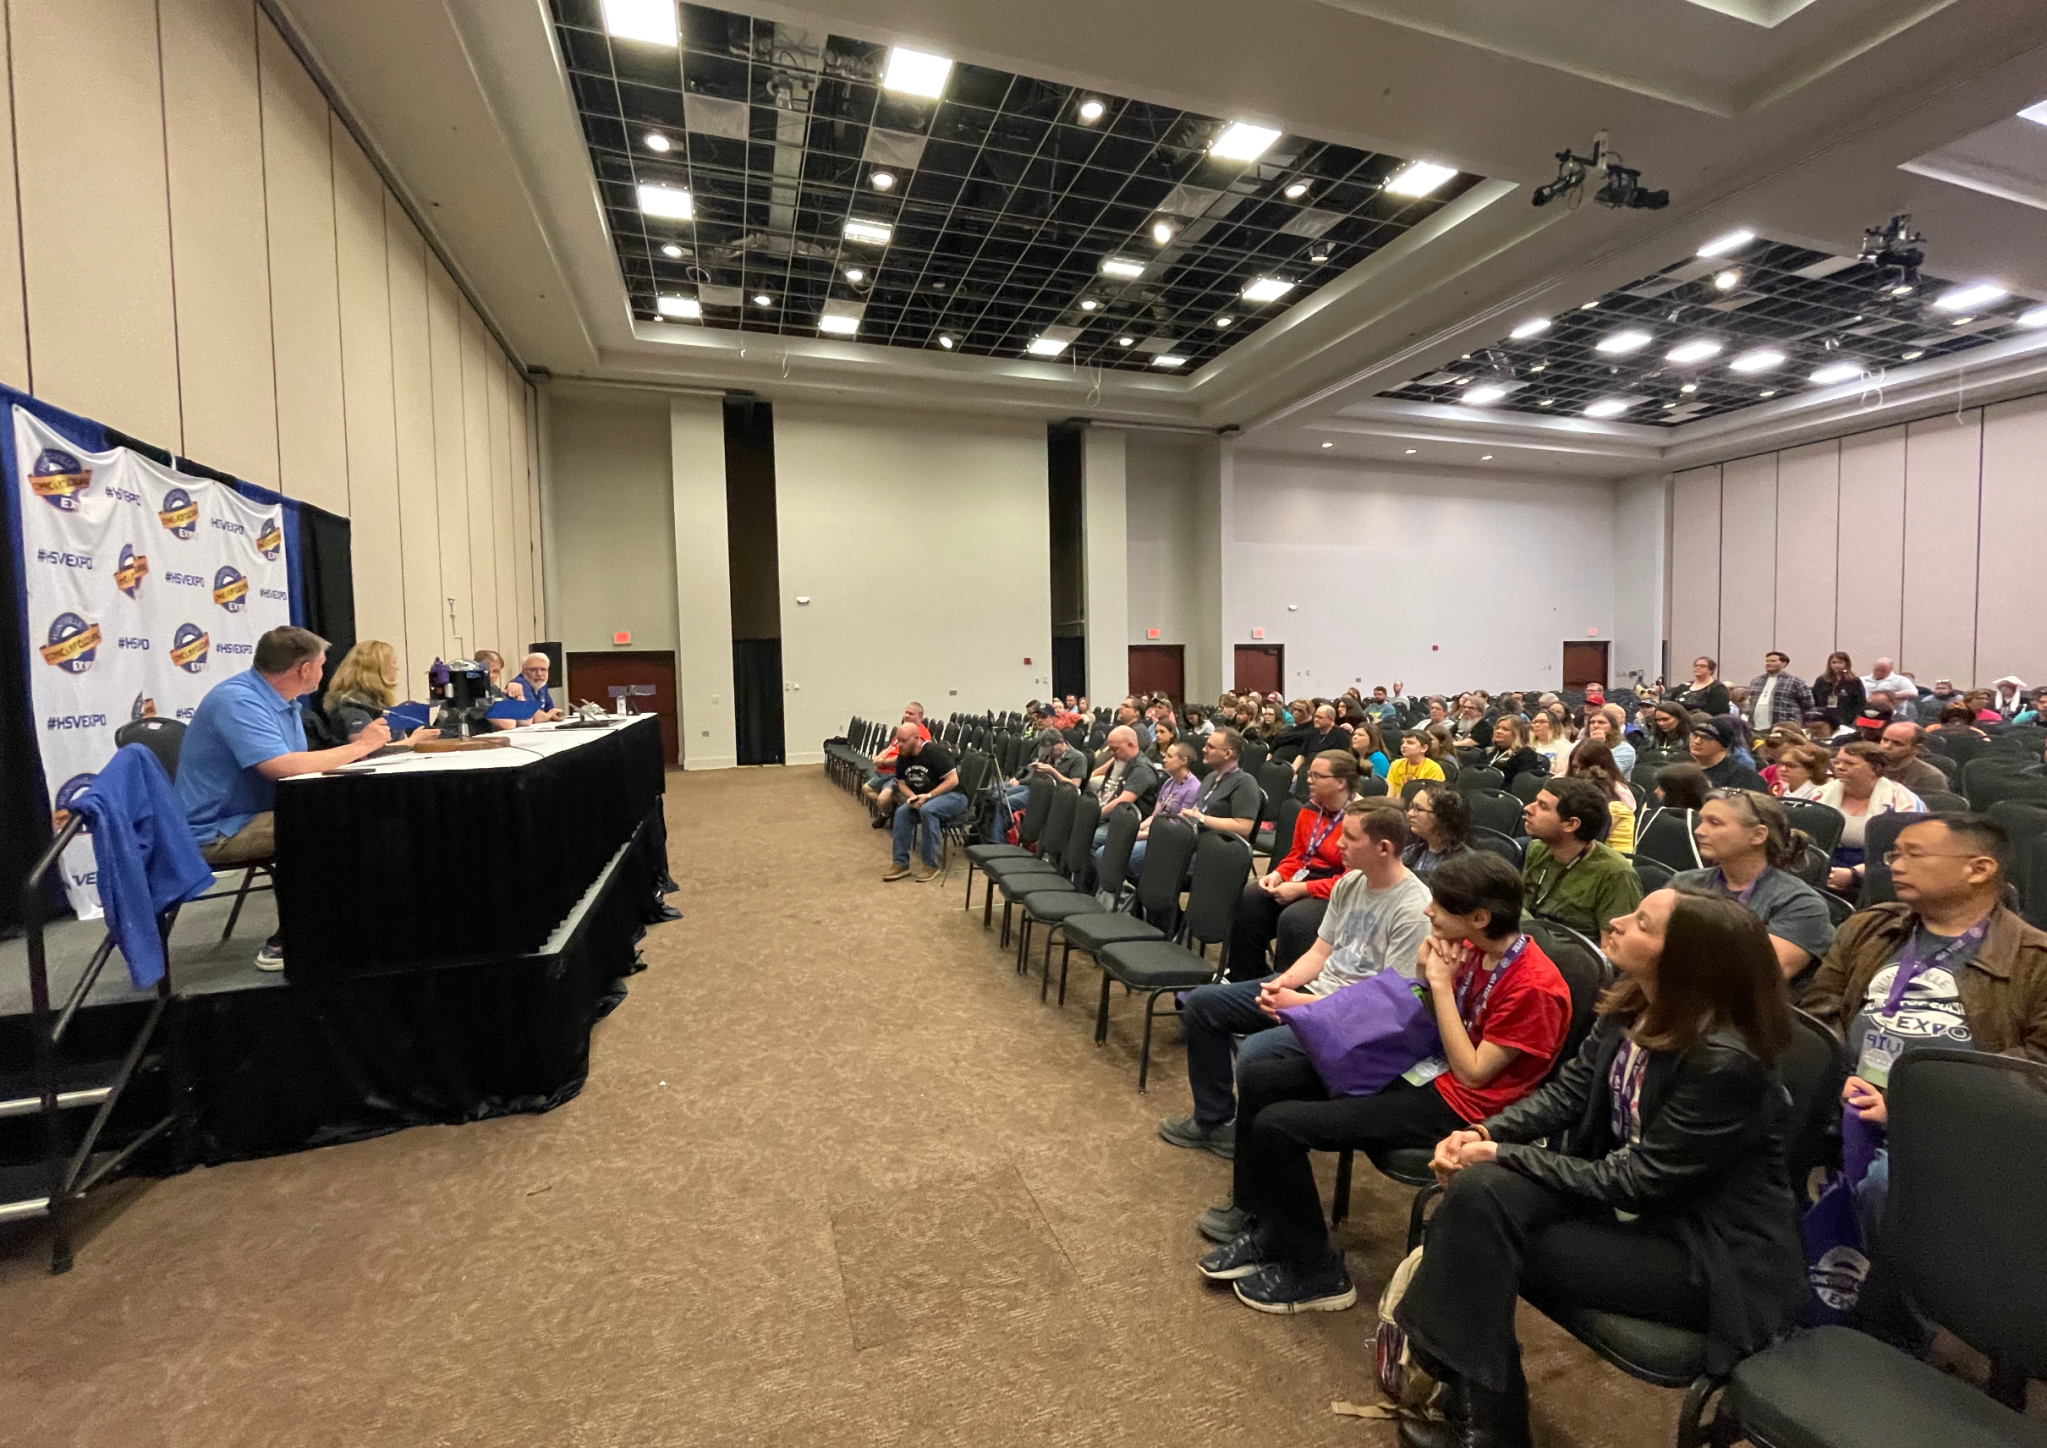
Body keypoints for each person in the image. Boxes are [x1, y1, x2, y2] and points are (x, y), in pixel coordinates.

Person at [1393, 890, 1804, 1448]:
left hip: (1699, 1251)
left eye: (1641, 923)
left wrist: (1502, 1153)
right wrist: (1488, 1133)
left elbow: (1639, 1181)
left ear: (1683, 959)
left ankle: (1475, 1406)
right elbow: (1568, 1092)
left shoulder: (1725, 1061)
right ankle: (1482, 1410)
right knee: (1479, 1196)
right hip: (1625, 1200)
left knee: (1473, 1235)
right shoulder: (1635, 1002)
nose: (1615, 923)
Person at [1197, 853, 1571, 1315]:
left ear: (1479, 918)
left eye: (1440, 906)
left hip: (1463, 1107)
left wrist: (1436, 984)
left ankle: (1318, 1271)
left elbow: (1474, 1070)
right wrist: (1423, 972)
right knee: (1262, 1074)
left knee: (1279, 1126)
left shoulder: (1534, 987)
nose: (1428, 913)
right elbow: (1429, 1022)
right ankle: (1269, 1228)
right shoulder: (1468, 948)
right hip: (1422, 1068)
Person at [1804, 815, 2047, 1239]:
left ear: (1980, 869)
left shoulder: (2035, 958)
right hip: (1844, 1096)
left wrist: (1911, 1105)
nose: (1895, 865)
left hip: (1958, 1123)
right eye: (1893, 854)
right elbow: (1819, 1011)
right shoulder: (1870, 927)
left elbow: (2035, 1068)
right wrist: (1837, 1079)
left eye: (1914, 854)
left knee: (1886, 1186)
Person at [1160, 800, 1433, 1159]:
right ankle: (1215, 1122)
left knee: (1256, 1057)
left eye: (1350, 838)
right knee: (1203, 1005)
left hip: (1352, 1021)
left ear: (1384, 847)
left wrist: (1300, 1005)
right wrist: (1284, 983)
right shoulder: (1350, 883)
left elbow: (1382, 1006)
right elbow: (1321, 953)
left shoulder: (1414, 909)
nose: (1338, 846)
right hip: (1316, 994)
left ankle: (1256, 1148)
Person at [177, 627, 391, 971]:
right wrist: (360, 748)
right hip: (216, 830)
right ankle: (287, 939)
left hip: (254, 813)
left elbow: (299, 768)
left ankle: (343, 926)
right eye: (321, 665)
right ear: (305, 670)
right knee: (325, 826)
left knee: (349, 812)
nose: (323, 673)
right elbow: (282, 768)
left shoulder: (281, 702)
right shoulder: (238, 701)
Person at [1675, 790, 1835, 985]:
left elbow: (1758, 977)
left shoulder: (1800, 904)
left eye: (1714, 823)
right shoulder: (1685, 882)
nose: (1699, 830)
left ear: (1758, 835)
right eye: (1702, 820)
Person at [1228, 751, 1362, 981]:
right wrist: (1279, 874)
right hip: (1307, 875)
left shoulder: (1361, 819)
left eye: (1317, 776)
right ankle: (1247, 981)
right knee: (1251, 896)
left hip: (1341, 890)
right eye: (1309, 774)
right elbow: (1298, 855)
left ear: (1340, 783)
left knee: (1295, 920)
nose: (1309, 780)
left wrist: (1302, 890)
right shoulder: (1310, 809)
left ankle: (1286, 990)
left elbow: (1353, 880)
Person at [1124, 727, 1262, 885]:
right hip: (1189, 841)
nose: (1204, 749)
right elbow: (1197, 812)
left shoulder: (1245, 782)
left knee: (1136, 862)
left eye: (1210, 747)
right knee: (1126, 854)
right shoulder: (1210, 778)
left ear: (1228, 753)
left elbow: (1244, 826)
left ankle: (1162, 907)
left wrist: (1202, 818)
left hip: (1213, 851)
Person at [1520, 778, 1643, 937]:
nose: (1528, 808)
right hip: (1527, 944)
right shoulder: (1537, 849)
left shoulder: (1615, 874)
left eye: (1542, 806)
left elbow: (1612, 950)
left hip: (1569, 957)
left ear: (1570, 824)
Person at [1817, 741, 1925, 896]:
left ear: (1875, 769)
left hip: (1882, 871)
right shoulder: (1820, 794)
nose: (1839, 767)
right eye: (1837, 762)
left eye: (1849, 763)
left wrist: (1855, 874)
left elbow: (1910, 852)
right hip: (1827, 866)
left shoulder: (1902, 801)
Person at [882, 725, 962, 883]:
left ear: (917, 738)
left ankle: (931, 865)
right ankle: (900, 863)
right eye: (899, 740)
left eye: (904, 741)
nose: (899, 745)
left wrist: (928, 796)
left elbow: (953, 781)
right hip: (924, 798)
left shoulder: (936, 752)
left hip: (954, 796)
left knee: (928, 810)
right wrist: (913, 798)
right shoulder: (903, 756)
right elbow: (902, 783)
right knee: (901, 813)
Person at [322, 640, 439, 745]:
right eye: (393, 663)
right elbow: (364, 750)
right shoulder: (353, 703)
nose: (396, 668)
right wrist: (413, 741)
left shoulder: (373, 700)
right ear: (379, 670)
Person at [1567, 741, 1636, 855]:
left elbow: (1585, 841)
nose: (1578, 773)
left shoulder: (1619, 798)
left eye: (1584, 768)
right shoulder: (1570, 788)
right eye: (1575, 767)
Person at [1403, 781, 1475, 880]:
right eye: (1411, 807)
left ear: (1442, 817)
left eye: (1418, 809)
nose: (1410, 814)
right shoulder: (1410, 851)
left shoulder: (1463, 866)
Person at [1688, 718, 1768, 792]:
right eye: (1695, 735)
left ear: (1722, 745)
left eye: (1706, 738)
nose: (1697, 741)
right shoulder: (1683, 766)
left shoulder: (1743, 777)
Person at [1876, 720, 1948, 797]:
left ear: (1916, 748)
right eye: (1885, 740)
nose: (1886, 746)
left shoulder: (1930, 777)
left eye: (1897, 743)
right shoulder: (1869, 767)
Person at [1745, 651, 1814, 731]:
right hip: (1756, 727)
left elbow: (1808, 704)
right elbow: (1749, 702)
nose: (1768, 663)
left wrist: (1803, 724)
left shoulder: (1795, 681)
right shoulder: (1756, 681)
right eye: (1767, 661)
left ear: (1784, 664)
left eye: (1773, 661)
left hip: (1784, 727)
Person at [1481, 716, 1546, 790]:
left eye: (1505, 729)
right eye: (1497, 728)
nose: (1498, 731)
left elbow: (1521, 785)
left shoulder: (1525, 754)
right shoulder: (1488, 752)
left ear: (1517, 733)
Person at [501, 651, 564, 724]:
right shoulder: (519, 683)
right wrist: (549, 715)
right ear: (524, 672)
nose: (539, 674)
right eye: (533, 670)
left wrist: (551, 715)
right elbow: (534, 717)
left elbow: (553, 711)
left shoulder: (541, 684)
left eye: (543, 669)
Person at [1814, 651, 1865, 728]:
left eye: (1840, 662)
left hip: (1847, 719)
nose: (1837, 665)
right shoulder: (1821, 680)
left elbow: (1860, 702)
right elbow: (1814, 699)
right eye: (1834, 662)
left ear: (1846, 664)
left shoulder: (1854, 681)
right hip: (1824, 719)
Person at [1387, 729, 1446, 795]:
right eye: (1403, 742)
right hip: (1396, 803)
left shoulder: (1433, 769)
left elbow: (1432, 797)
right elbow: (1390, 793)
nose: (1403, 746)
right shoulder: (1396, 764)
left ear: (1424, 748)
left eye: (1410, 743)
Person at [1585, 706, 1635, 781]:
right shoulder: (1578, 745)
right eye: (1592, 722)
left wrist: (1598, 745)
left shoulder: (1625, 749)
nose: (1595, 726)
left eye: (1601, 722)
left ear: (1612, 726)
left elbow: (1608, 774)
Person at [1527, 711, 1573, 776]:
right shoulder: (1528, 746)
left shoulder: (1564, 746)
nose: (1537, 725)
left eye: (1542, 722)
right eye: (1535, 722)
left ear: (1553, 725)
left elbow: (1562, 772)